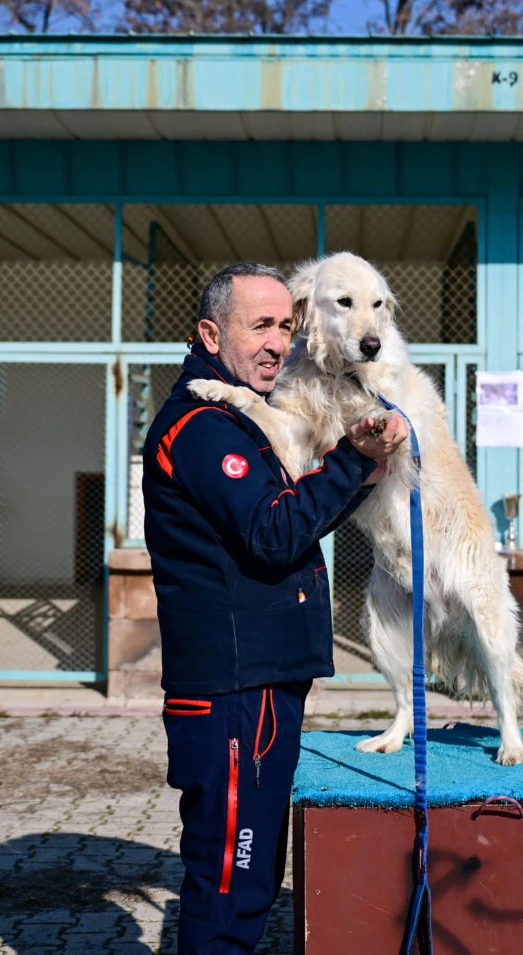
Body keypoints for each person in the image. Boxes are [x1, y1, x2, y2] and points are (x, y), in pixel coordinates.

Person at [142, 262, 407, 953]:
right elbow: (274, 530)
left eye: (285, 325)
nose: (276, 342)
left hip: (259, 683)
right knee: (233, 879)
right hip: (235, 690)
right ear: (210, 331)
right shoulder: (203, 427)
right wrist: (351, 461)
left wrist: (363, 462)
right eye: (258, 325)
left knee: (249, 878)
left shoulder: (239, 414)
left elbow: (293, 508)